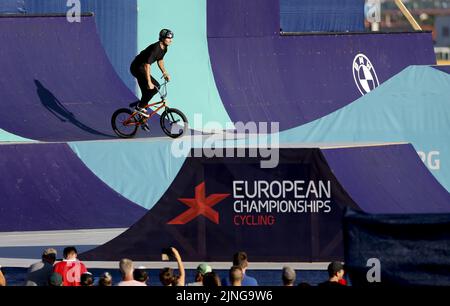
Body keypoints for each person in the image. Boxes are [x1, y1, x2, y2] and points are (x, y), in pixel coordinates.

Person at [130, 28, 173, 120]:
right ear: (162, 38)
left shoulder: (165, 48)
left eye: (171, 38)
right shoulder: (155, 48)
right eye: (168, 38)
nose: (171, 40)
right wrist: (149, 82)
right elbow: (147, 65)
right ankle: (139, 107)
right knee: (154, 86)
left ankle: (141, 115)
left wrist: (165, 72)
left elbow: (160, 60)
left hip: (142, 68)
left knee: (148, 92)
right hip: (137, 68)